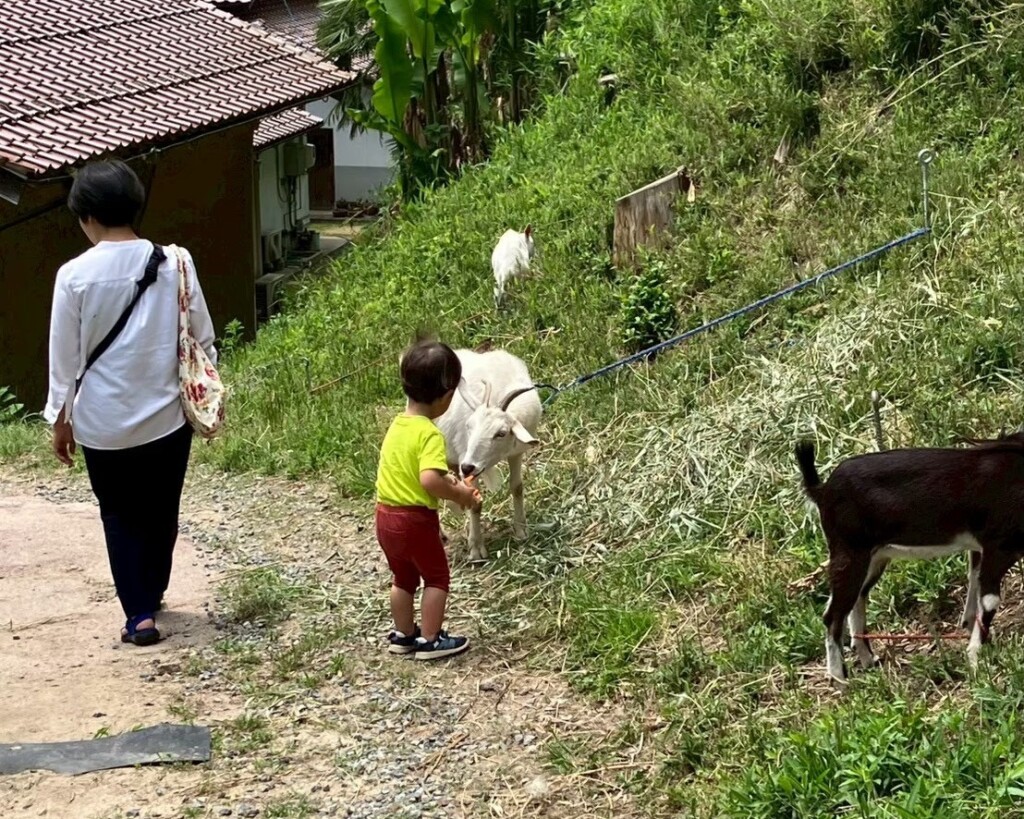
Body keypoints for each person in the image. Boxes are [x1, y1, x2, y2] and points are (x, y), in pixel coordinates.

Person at [43, 160, 217, 646]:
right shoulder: (176, 263)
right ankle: (154, 588)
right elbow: (202, 337)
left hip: (102, 423)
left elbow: (63, 358)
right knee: (162, 508)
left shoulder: (73, 275)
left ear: (86, 216)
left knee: (118, 513)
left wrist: (60, 419)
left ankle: (139, 613)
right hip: (167, 418)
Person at [375, 340, 480, 660]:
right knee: (436, 578)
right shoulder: (430, 433)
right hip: (414, 520)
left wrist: (447, 481)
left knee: (403, 578)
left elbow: (410, 471)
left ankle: (404, 635)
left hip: (385, 517)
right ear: (446, 396)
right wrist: (461, 494)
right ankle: (431, 640)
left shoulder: (397, 425)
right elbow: (429, 480)